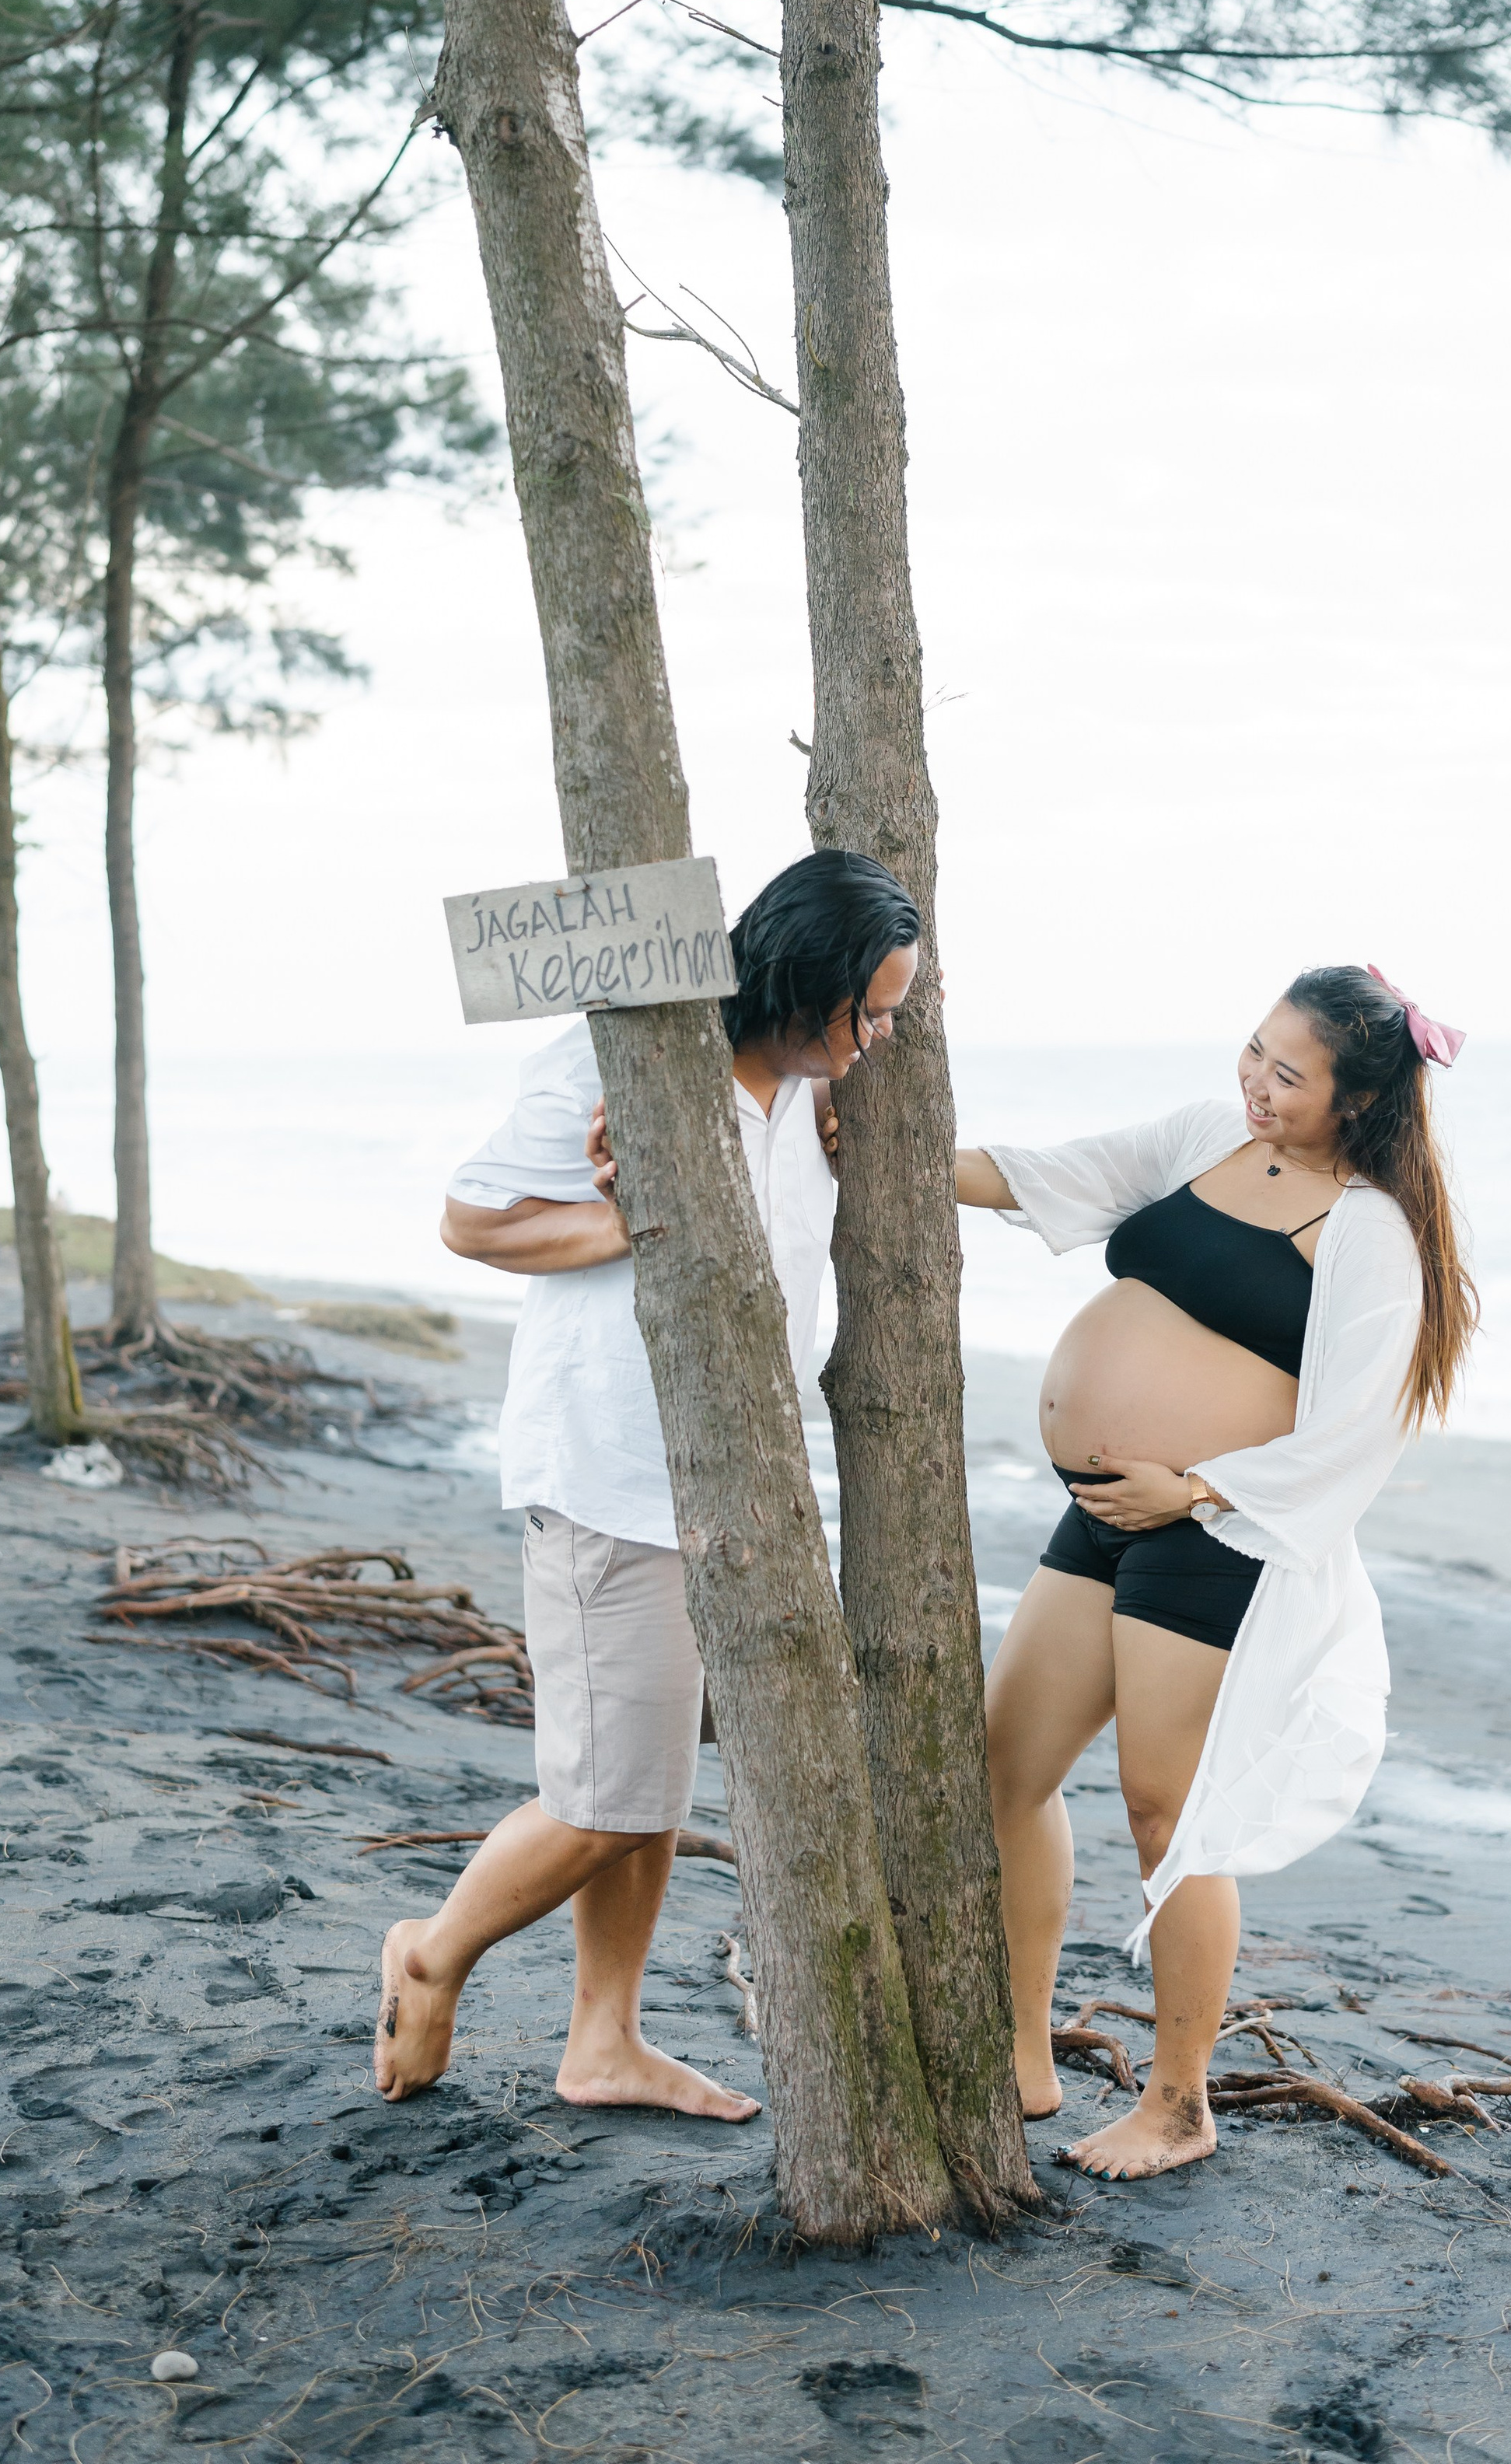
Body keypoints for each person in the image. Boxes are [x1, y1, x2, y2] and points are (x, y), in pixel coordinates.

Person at [373, 848, 922, 2110]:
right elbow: (476, 1218)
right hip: (613, 1474)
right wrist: (639, 1218)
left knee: (651, 1786)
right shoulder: (623, 1062)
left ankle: (603, 2041)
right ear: (801, 982)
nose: (884, 1033)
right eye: (870, 1007)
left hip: (729, 1487)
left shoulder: (802, 1084)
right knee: (606, 1798)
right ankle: (430, 1951)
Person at [958, 963, 1476, 2182]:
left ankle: (1181, 2101)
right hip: (1102, 1512)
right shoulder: (1206, 1135)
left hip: (1215, 1533)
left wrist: (1191, 1488)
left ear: (1355, 1101)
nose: (1256, 1081)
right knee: (1004, 1767)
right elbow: (1053, 1174)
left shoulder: (1372, 1236)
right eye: (1254, 1049)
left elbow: (1360, 1429)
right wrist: (867, 1139)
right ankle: (1022, 2053)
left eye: (1288, 1074)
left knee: (1166, 1814)